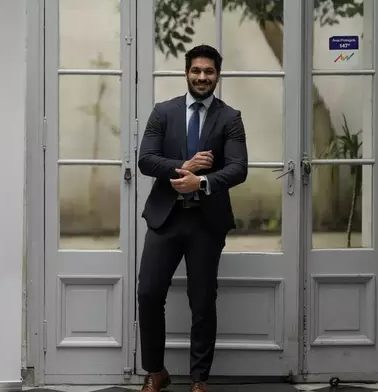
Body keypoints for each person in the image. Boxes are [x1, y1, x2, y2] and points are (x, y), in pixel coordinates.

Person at [136, 45, 248, 392]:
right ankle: (156, 371)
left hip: (206, 222)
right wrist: (183, 166)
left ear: (217, 75)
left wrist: (201, 181)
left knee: (202, 300)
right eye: (196, 71)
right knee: (150, 293)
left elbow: (238, 168)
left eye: (209, 72)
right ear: (187, 73)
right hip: (165, 218)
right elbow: (146, 160)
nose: (202, 77)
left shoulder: (230, 118)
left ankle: (200, 379)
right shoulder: (163, 112)